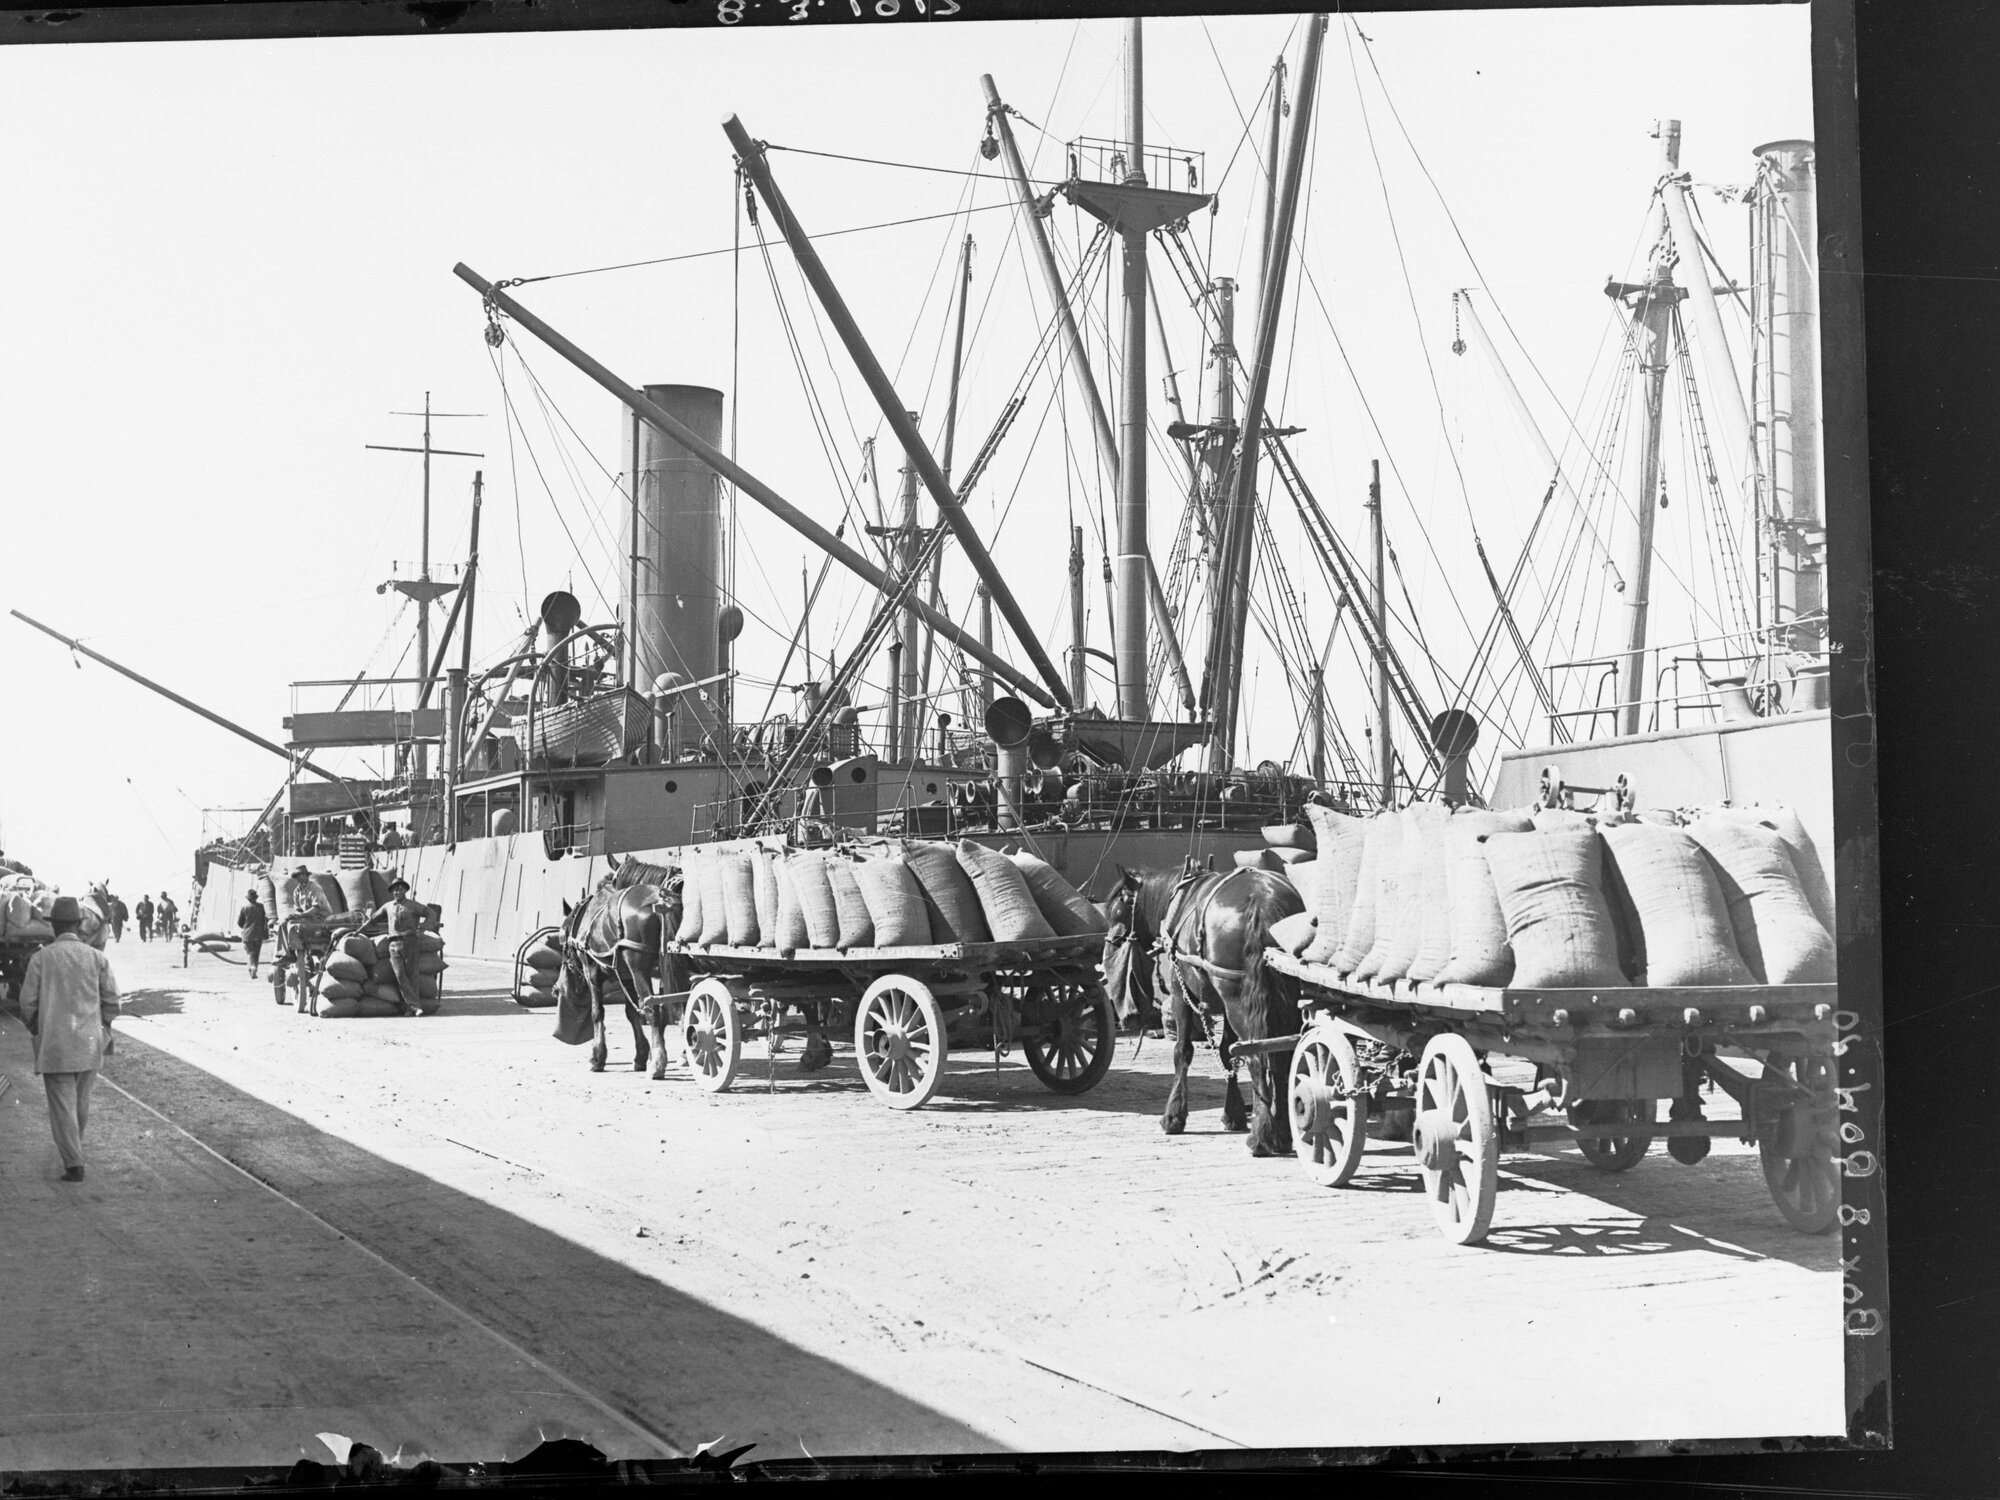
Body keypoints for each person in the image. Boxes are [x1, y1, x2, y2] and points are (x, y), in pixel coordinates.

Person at [19, 896, 121, 1182]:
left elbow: (28, 1002)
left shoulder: (41, 958)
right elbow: (113, 1000)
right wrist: (105, 1025)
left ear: (54, 928)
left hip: (55, 1044)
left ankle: (74, 1163)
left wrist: (37, 1028)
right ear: (78, 925)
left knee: (63, 1106)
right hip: (90, 1042)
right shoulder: (97, 957)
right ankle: (75, 1153)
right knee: (80, 1103)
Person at [380, 878, 426, 1015]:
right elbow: (374, 918)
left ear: (405, 890)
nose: (397, 891)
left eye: (400, 889)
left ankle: (409, 1009)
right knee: (400, 975)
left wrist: (422, 929)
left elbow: (431, 914)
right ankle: (416, 1007)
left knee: (412, 976)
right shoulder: (387, 906)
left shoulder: (413, 905)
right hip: (393, 944)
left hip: (409, 942)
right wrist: (358, 931)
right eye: (394, 889)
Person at [237, 890, 268, 979]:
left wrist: (246, 928)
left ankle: (252, 967)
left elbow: (240, 923)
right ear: (255, 898)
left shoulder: (244, 908)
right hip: (259, 934)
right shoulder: (261, 907)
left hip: (247, 935)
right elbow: (266, 920)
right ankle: (254, 968)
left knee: (249, 952)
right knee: (256, 953)